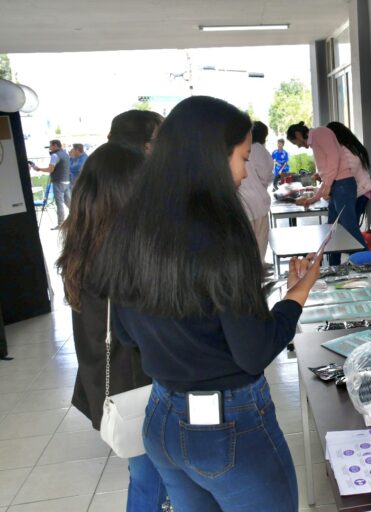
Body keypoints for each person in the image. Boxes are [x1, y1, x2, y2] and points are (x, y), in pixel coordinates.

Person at [91, 96, 322, 512]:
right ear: (213, 157)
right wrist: (296, 296)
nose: (243, 172)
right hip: (229, 426)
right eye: (242, 157)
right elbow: (253, 352)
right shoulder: (221, 234)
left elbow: (126, 333)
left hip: (162, 420)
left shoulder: (129, 228)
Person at [55, 143, 168, 511]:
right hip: (138, 386)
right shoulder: (124, 255)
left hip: (111, 384)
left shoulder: (81, 244)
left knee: (148, 475)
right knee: (151, 481)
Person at [287, 120, 368, 265]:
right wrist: (311, 199)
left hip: (343, 185)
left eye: (295, 142)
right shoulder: (316, 140)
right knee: (331, 230)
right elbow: (327, 177)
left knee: (350, 229)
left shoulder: (320, 133)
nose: (298, 146)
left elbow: (334, 160)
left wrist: (328, 186)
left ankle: (369, 264)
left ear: (298, 134)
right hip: (338, 186)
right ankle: (334, 267)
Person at [239, 121, 274, 270]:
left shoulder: (240, 148)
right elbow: (266, 175)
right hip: (257, 202)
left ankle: (250, 269)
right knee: (260, 238)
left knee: (246, 241)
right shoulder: (259, 149)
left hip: (241, 202)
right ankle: (259, 267)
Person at [326, 121, 371, 225]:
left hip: (360, 193)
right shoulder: (351, 147)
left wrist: (329, 181)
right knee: (345, 228)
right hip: (360, 192)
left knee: (348, 229)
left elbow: (348, 173)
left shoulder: (347, 151)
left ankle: (358, 242)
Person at [32, 139, 70, 229]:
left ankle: (61, 224)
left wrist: (39, 169)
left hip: (58, 182)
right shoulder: (65, 154)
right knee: (69, 203)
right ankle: (78, 220)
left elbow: (50, 169)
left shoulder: (55, 155)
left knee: (59, 204)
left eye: (50, 146)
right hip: (66, 181)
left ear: (55, 145)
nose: (49, 148)